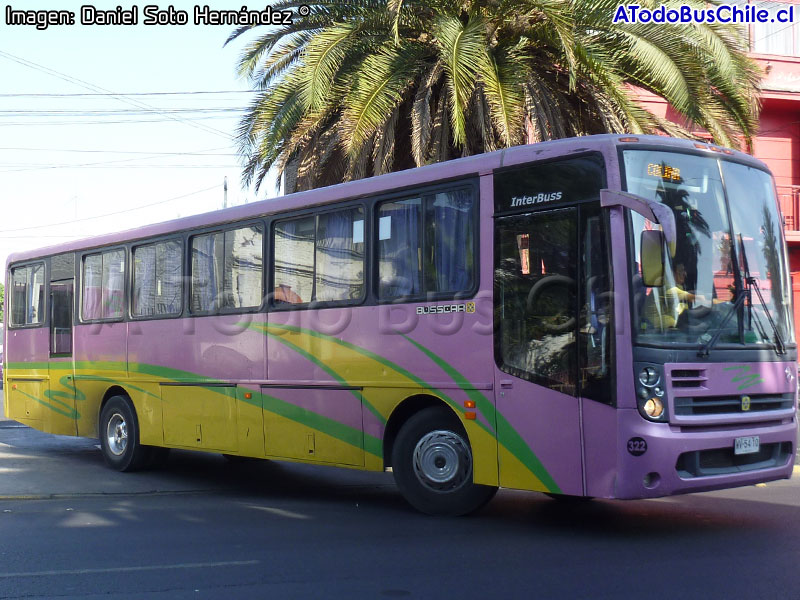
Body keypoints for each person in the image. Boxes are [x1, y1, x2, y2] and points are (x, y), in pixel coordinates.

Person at [643, 262, 703, 329]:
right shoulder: (667, 287)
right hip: (655, 326)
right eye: (681, 271)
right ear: (672, 273)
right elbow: (692, 298)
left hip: (664, 320)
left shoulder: (671, 284)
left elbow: (685, 295)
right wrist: (711, 300)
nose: (685, 274)